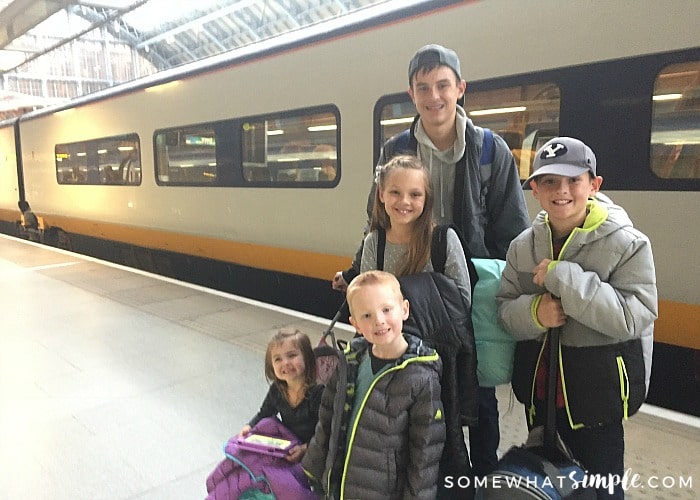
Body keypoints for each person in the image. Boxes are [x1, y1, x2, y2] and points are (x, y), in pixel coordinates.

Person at [332, 43, 531, 478]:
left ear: (460, 89)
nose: (434, 96)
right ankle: (431, 477)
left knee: (474, 396)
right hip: (400, 303)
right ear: (412, 92)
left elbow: (512, 228)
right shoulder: (396, 148)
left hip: (466, 294)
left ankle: (479, 478)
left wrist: (511, 286)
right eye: (424, 87)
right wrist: (354, 272)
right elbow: (376, 219)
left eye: (443, 85)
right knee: (416, 396)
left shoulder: (488, 151)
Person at [497, 137, 658, 499]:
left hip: (597, 403)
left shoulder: (628, 244)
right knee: (551, 484)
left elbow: (635, 315)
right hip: (541, 398)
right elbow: (505, 310)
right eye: (550, 181)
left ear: (594, 185)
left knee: (601, 491)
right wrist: (535, 313)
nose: (562, 191)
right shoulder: (522, 246)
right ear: (535, 189)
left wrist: (562, 277)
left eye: (574, 180)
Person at [302, 270, 445, 499]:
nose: (378, 320)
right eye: (366, 316)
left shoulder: (421, 377)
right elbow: (327, 418)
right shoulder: (348, 363)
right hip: (340, 485)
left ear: (404, 310)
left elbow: (425, 452)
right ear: (355, 323)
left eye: (386, 310)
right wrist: (314, 468)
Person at [241, 327, 324, 463]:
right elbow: (264, 414)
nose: (285, 363)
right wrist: (249, 427)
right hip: (289, 448)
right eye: (278, 359)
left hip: (316, 452)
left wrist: (305, 449)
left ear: (307, 357)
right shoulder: (277, 389)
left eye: (292, 355)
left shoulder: (318, 393)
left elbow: (327, 432)